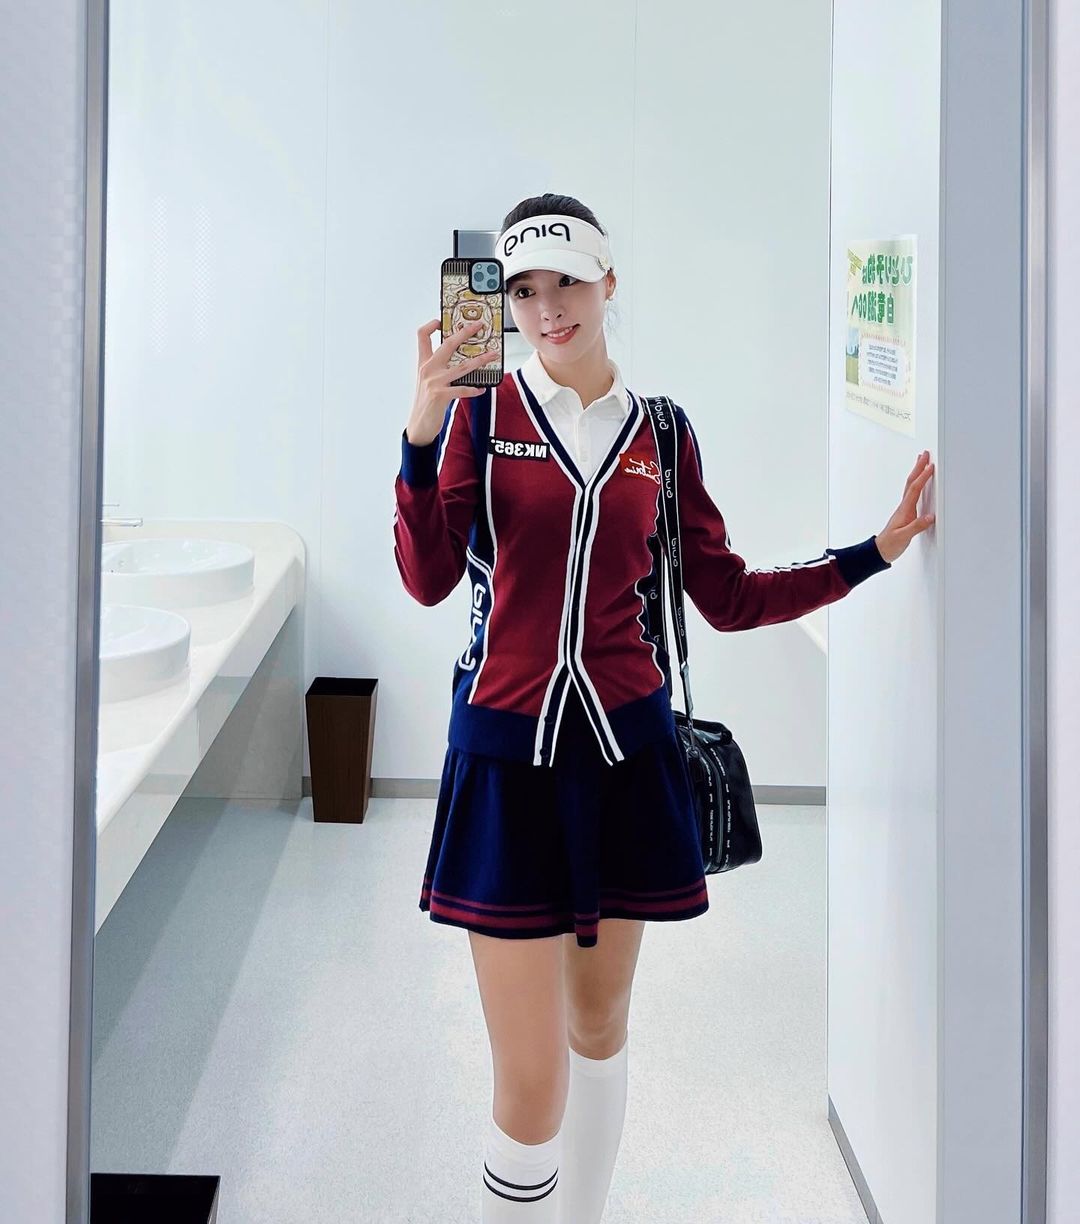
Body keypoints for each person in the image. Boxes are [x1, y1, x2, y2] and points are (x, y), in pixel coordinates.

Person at [393, 193, 935, 1223]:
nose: (548, 309)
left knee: (599, 1033)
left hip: (626, 761)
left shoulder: (662, 434)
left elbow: (725, 595)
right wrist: (419, 440)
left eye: (566, 282)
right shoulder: (478, 416)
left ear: (608, 281)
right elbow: (425, 578)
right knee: (529, 1088)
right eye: (524, 290)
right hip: (505, 765)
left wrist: (872, 553)